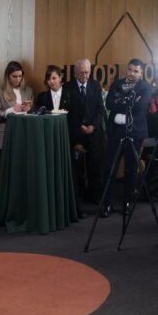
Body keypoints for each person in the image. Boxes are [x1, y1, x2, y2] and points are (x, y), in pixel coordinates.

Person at [102, 58, 152, 218]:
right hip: (115, 132)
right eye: (130, 70)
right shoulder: (117, 84)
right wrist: (125, 102)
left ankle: (128, 203)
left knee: (131, 169)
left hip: (134, 133)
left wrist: (120, 101)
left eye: (136, 71)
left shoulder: (146, 88)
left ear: (141, 73)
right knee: (110, 168)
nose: (132, 73)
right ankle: (107, 203)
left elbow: (139, 106)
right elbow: (109, 104)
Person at [62, 58, 105, 208]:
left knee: (95, 166)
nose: (85, 75)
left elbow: (100, 109)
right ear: (75, 72)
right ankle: (79, 198)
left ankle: (95, 196)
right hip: (76, 134)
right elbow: (66, 112)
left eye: (87, 72)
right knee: (78, 168)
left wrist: (93, 126)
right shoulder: (67, 88)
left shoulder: (95, 85)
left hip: (93, 133)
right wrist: (78, 127)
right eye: (82, 73)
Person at [0, 61, 33, 150]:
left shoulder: (28, 91)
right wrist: (10, 110)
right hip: (5, 133)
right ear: (8, 76)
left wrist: (28, 109)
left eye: (20, 76)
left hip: (23, 133)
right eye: (14, 76)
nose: (17, 79)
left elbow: (33, 112)